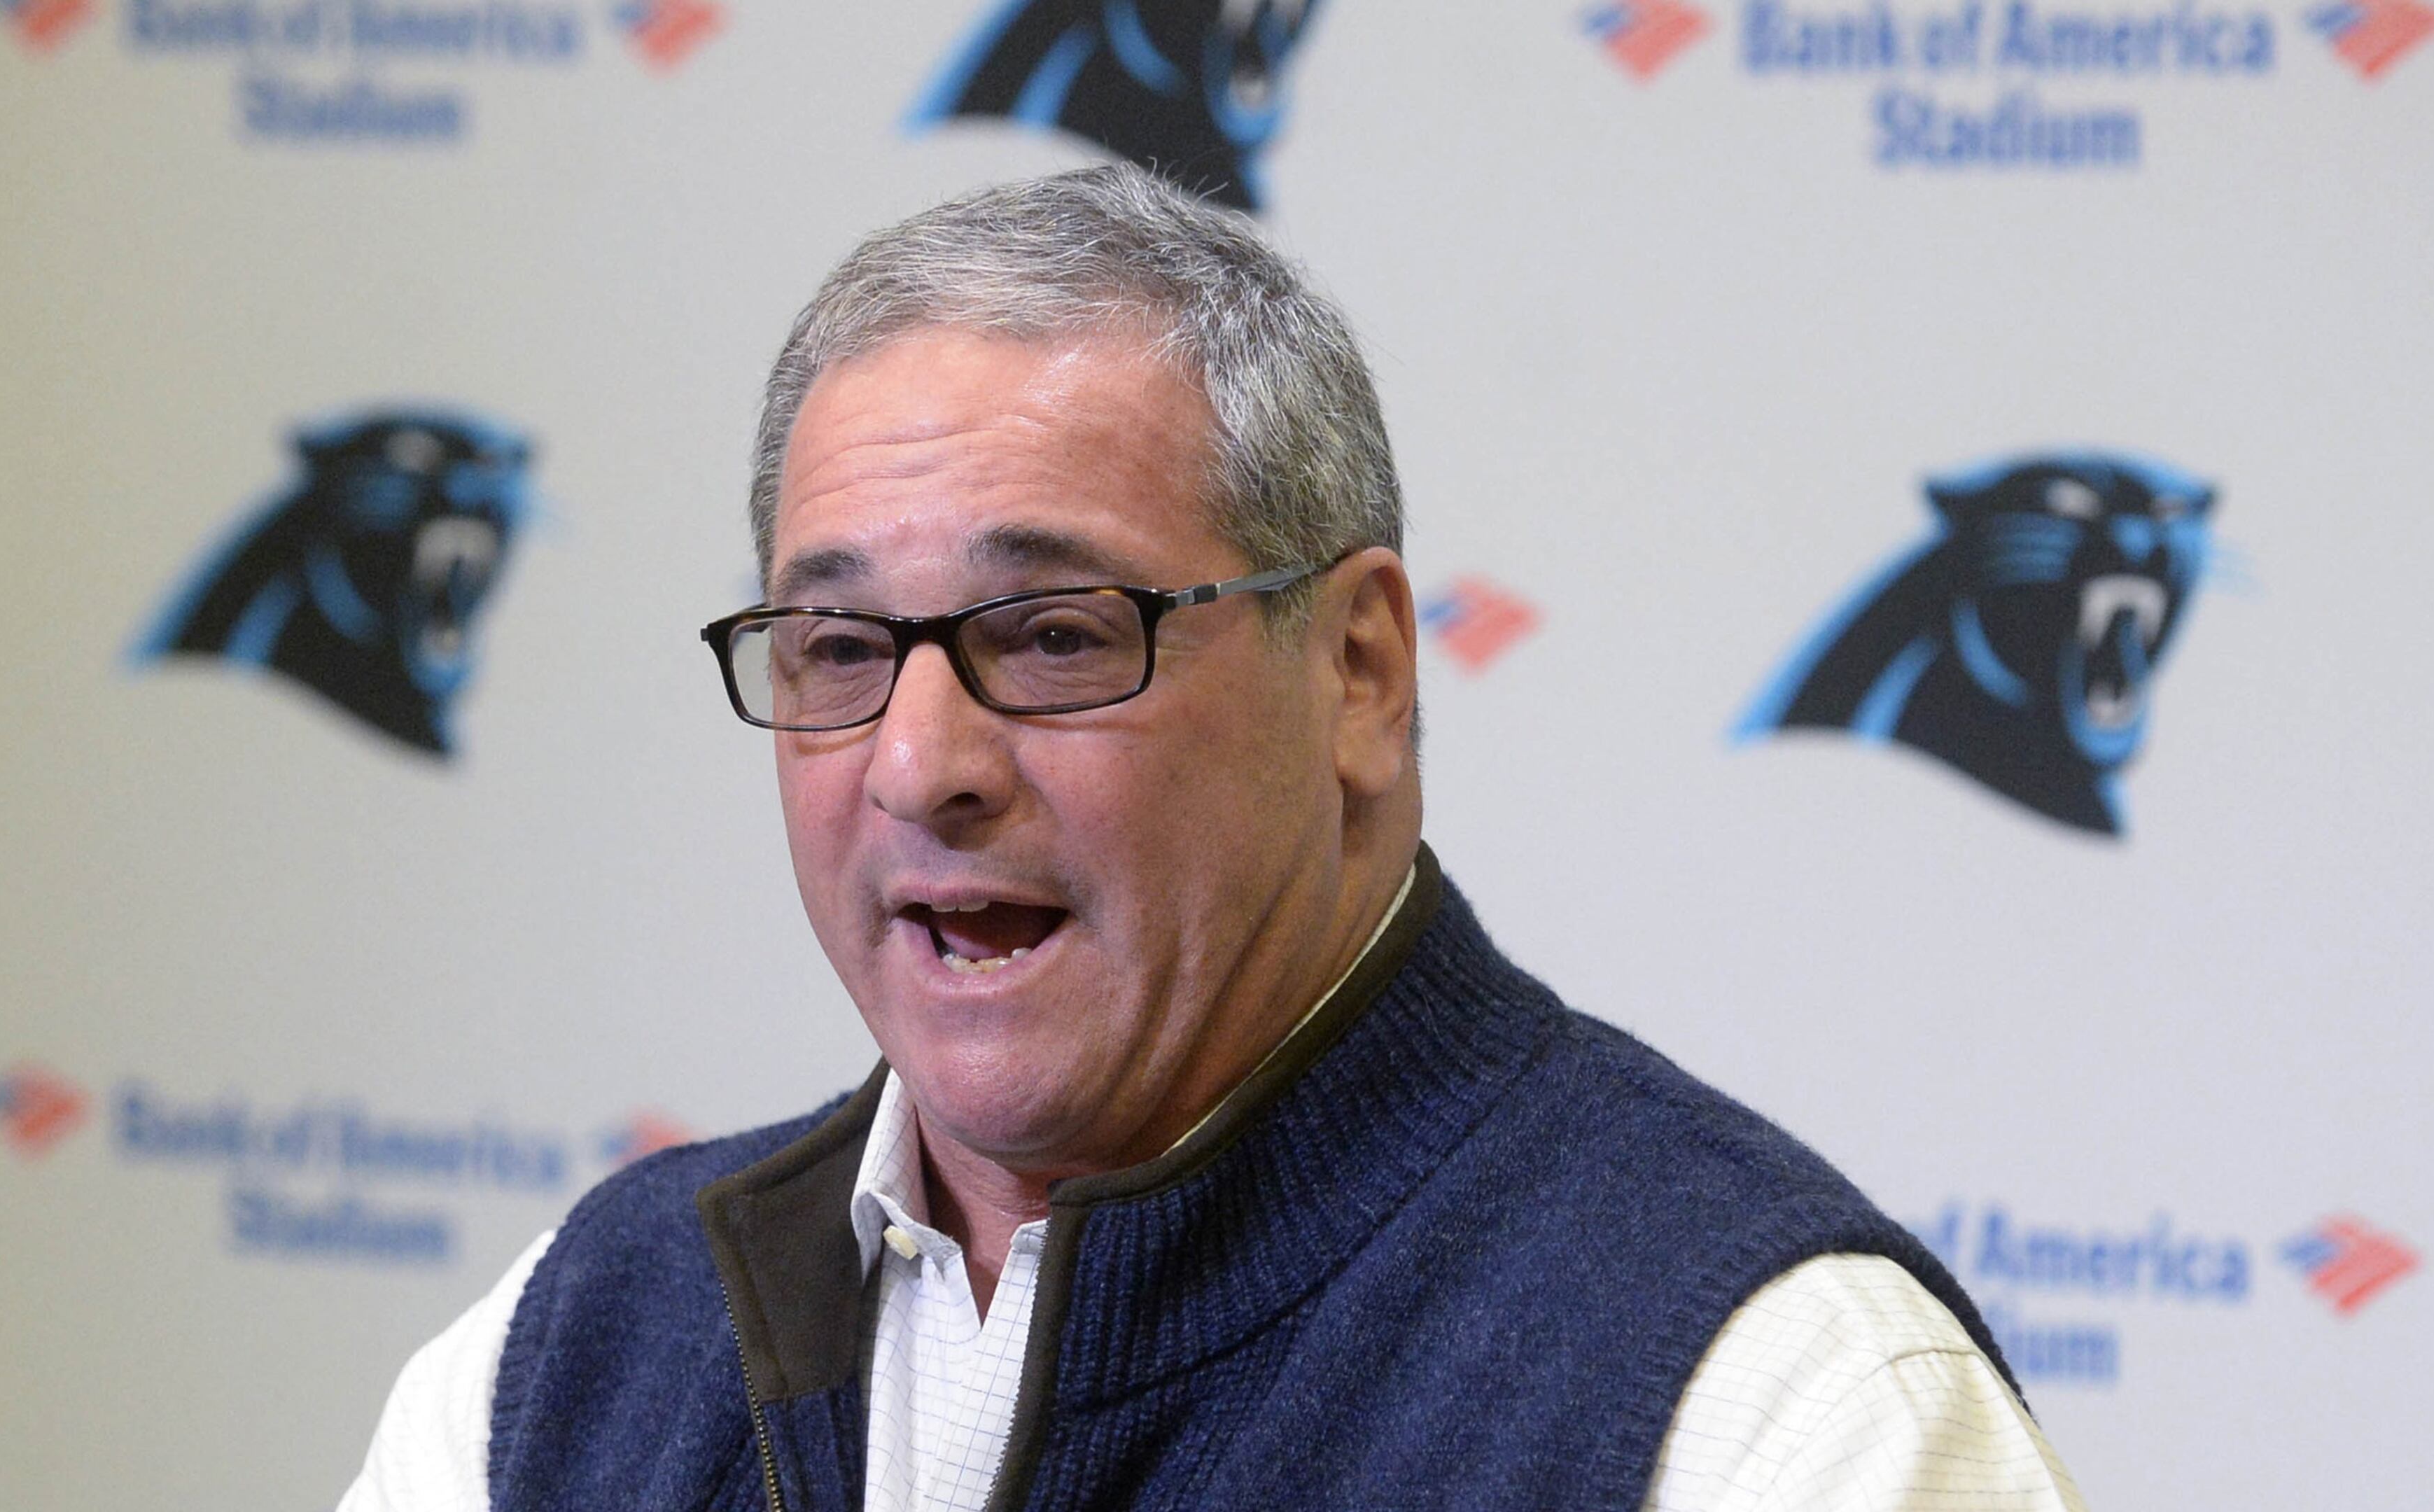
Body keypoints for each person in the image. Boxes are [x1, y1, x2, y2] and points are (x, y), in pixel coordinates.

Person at [340, 164, 2085, 1512]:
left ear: (1360, 671)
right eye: (842, 651)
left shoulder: (1773, 1403)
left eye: (1055, 635)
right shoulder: (570, 1356)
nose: (918, 762)